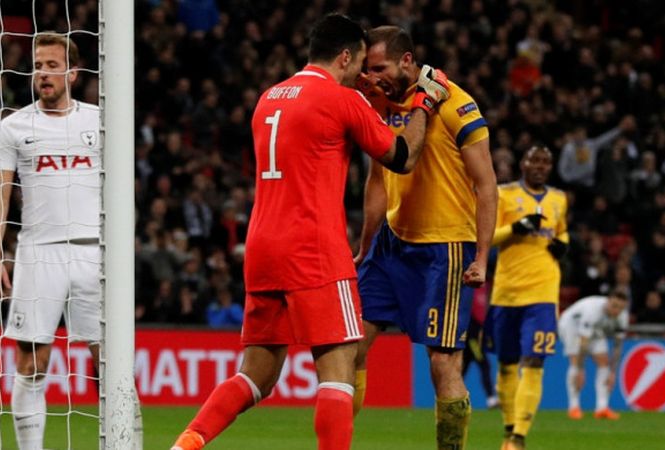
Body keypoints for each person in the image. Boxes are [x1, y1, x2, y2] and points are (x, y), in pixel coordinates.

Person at [171, 13, 451, 450]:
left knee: (256, 375)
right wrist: (423, 107)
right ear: (344, 55)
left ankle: (187, 443)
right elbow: (403, 157)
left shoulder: (269, 97)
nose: (363, 73)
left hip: (262, 248)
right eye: (360, 62)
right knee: (338, 372)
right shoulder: (341, 99)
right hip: (315, 250)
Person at [0, 32, 141, 450]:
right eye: (38, 66)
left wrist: (126, 254)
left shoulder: (101, 119)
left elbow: (125, 190)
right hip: (39, 253)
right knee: (32, 362)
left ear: (73, 72)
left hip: (96, 252)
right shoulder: (13, 127)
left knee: (111, 366)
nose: (43, 74)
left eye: (52, 66)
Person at [353, 25, 497, 450]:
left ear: (407, 62)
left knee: (442, 364)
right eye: (367, 68)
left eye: (379, 67)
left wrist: (483, 257)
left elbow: (486, 184)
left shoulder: (456, 103)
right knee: (349, 346)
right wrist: (366, 245)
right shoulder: (378, 104)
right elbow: (378, 180)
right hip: (392, 243)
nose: (371, 76)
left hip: (446, 248)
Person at [484, 145, 568, 450]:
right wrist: (515, 228)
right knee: (506, 365)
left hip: (543, 293)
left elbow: (562, 232)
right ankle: (509, 427)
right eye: (535, 159)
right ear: (523, 162)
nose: (540, 166)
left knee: (534, 361)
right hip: (506, 292)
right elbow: (487, 235)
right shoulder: (502, 194)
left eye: (546, 161)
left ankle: (518, 437)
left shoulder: (559, 199)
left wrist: (563, 243)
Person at [558, 291, 629, 421]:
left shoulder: (622, 317)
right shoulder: (592, 311)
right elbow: (583, 343)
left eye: (620, 308)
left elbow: (618, 346)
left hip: (595, 328)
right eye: (614, 306)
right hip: (571, 325)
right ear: (608, 302)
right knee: (575, 362)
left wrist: (613, 373)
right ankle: (574, 407)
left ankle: (601, 408)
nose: (616, 310)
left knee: (604, 362)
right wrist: (580, 370)